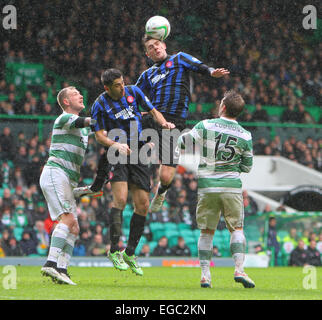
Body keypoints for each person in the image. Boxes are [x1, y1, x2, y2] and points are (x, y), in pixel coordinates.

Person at [75, 68, 174, 276]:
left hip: (138, 153)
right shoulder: (100, 105)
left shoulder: (134, 91)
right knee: (119, 200)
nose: (122, 87)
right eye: (117, 85)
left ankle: (129, 252)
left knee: (143, 205)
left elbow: (152, 110)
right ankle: (113, 250)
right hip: (117, 152)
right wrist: (115, 145)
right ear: (107, 87)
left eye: (122, 82)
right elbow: (100, 136)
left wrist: (163, 122)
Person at [136, 35, 230, 213]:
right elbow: (133, 96)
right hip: (154, 117)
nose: (155, 48)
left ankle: (161, 192)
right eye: (150, 47)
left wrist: (212, 72)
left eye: (157, 44)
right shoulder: (147, 74)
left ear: (164, 45)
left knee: (165, 176)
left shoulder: (179, 58)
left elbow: (200, 67)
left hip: (173, 122)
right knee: (122, 123)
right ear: (147, 54)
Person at [177, 90, 255, 288]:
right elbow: (247, 167)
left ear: (223, 107)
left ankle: (205, 275)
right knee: (236, 228)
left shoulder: (205, 125)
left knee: (206, 232)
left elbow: (182, 143)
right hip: (231, 186)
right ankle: (239, 269)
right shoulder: (245, 135)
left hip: (207, 186)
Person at [39, 86, 99, 285]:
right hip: (55, 173)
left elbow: (98, 129)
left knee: (74, 227)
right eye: (75, 94)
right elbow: (92, 121)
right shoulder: (64, 118)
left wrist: (87, 190)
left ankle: (62, 270)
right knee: (67, 219)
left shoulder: (81, 130)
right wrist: (112, 113)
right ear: (66, 102)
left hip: (66, 179)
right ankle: (51, 263)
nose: (81, 95)